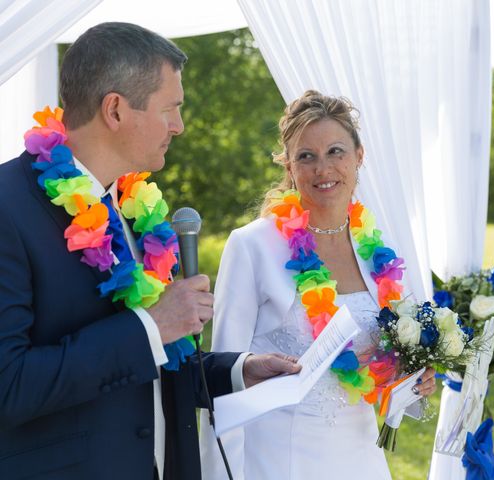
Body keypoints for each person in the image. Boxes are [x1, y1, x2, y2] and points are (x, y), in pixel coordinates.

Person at [0, 22, 299, 480]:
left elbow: (153, 364)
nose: (179, 127)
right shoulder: (8, 207)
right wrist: (151, 325)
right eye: (170, 109)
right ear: (116, 110)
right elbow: (10, 386)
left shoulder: (138, 211)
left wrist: (239, 371)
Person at [199, 90, 437, 480]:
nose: (322, 169)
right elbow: (223, 383)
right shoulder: (252, 246)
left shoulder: (378, 250)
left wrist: (411, 382)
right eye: (306, 156)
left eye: (336, 152)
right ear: (290, 167)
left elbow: (380, 370)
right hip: (279, 462)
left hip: (361, 461)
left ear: (359, 156)